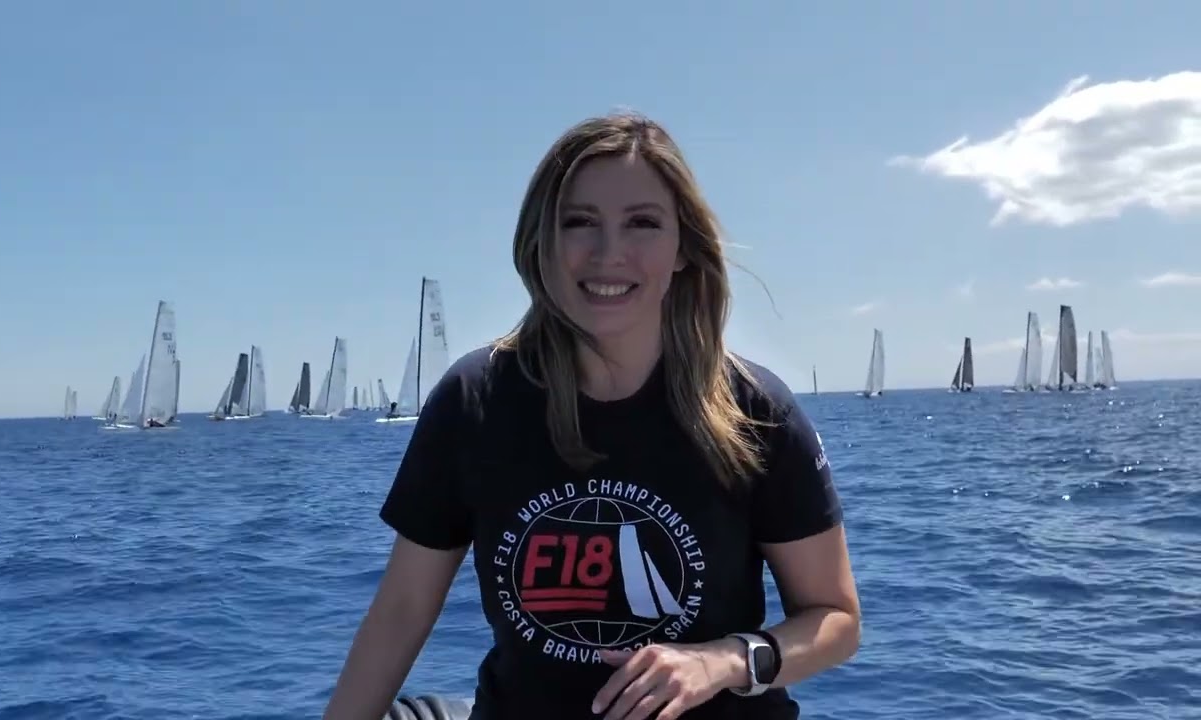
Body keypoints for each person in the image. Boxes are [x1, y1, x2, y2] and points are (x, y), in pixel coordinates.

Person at [322, 113, 861, 720]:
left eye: (643, 224)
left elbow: (835, 620)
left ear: (683, 248)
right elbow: (401, 611)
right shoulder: (474, 400)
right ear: (541, 241)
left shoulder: (756, 412)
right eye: (580, 222)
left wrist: (725, 661)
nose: (609, 253)